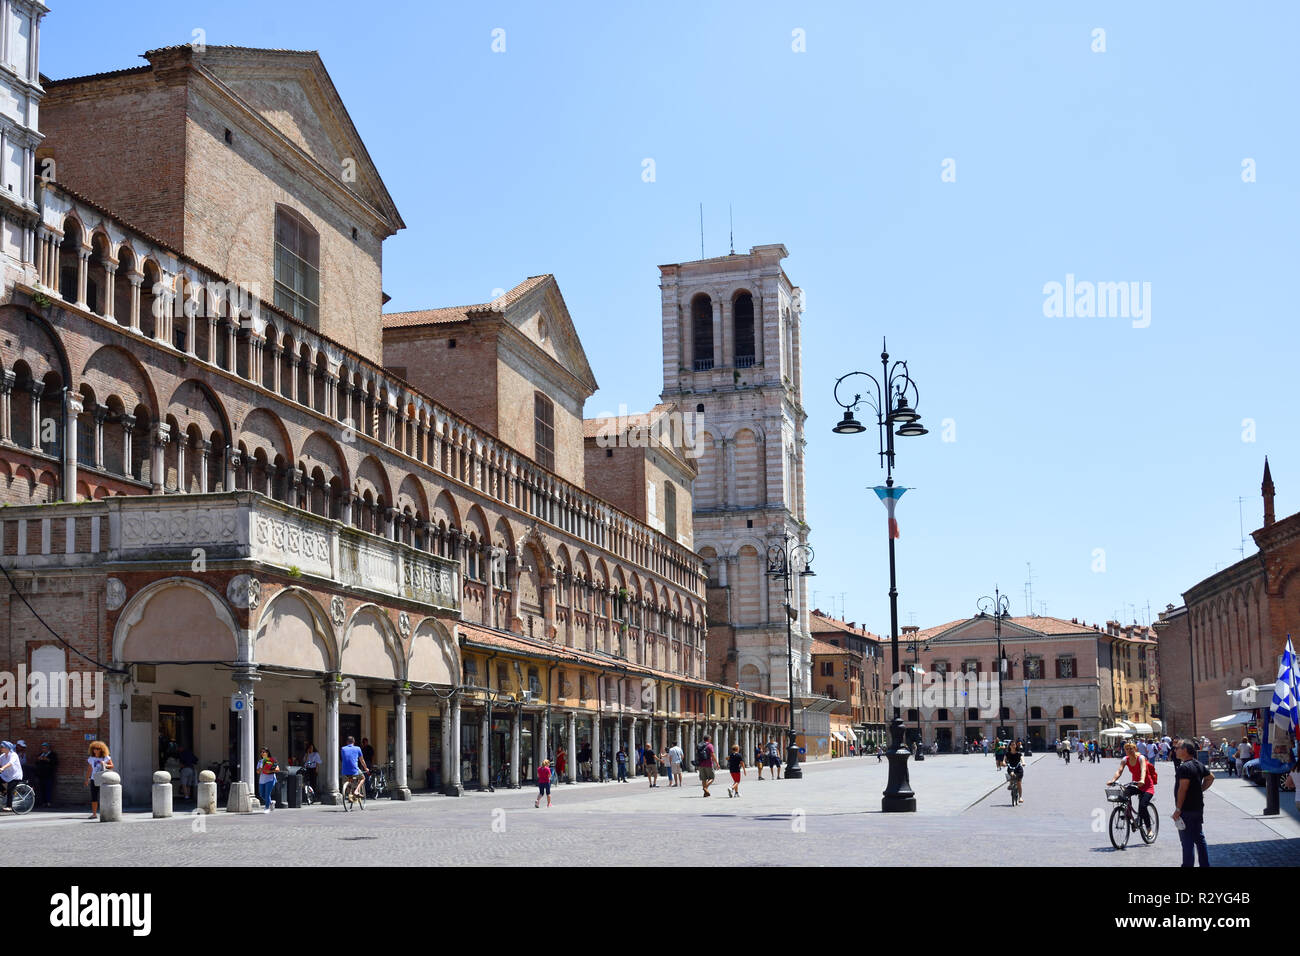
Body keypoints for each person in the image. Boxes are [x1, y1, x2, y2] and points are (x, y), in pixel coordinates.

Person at [1172, 739, 1214, 867]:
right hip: (1197, 808)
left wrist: (1178, 809)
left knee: (1187, 841)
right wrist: (1199, 790)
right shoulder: (1198, 764)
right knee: (1199, 838)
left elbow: (1182, 788)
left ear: (1185, 750)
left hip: (1186, 809)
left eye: (1177, 748)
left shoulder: (1184, 767)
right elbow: (1210, 777)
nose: (1175, 750)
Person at [1108, 740, 1156, 830]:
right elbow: (1119, 770)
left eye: (1131, 748)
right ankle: (1128, 813)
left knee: (1143, 806)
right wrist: (1113, 780)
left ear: (1135, 749)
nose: (1129, 750)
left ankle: (1149, 829)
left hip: (1146, 785)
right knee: (1125, 793)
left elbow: (1143, 770)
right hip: (1135, 784)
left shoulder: (1141, 758)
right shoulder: (1125, 759)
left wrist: (1142, 780)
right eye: (1127, 749)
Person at [84, 740, 113, 819]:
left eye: (97, 749)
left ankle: (107, 812)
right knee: (94, 796)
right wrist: (87, 779)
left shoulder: (106, 757)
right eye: (94, 748)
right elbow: (89, 769)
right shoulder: (91, 758)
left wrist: (105, 764)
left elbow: (111, 766)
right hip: (94, 779)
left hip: (103, 779)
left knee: (104, 796)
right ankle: (94, 814)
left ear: (101, 749)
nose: (95, 750)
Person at [340, 735, 368, 805]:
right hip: (354, 770)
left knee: (349, 780)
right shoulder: (357, 748)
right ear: (354, 742)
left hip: (344, 771)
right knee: (362, 778)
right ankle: (356, 791)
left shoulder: (343, 749)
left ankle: (350, 795)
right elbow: (362, 760)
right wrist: (366, 768)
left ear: (347, 742)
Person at [0, 741, 22, 812]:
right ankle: (3, 791)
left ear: (7, 748)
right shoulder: (2, 756)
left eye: (2, 747)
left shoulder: (13, 755)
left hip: (15, 776)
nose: (1, 748)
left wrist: (3, 768)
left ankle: (9, 806)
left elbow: (10, 763)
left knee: (10, 789)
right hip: (6, 775)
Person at [34, 742, 57, 807]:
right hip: (41, 775)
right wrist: (38, 760)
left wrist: (47, 759)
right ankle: (43, 802)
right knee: (42, 789)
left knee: (48, 789)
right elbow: (36, 763)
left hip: (49, 774)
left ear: (48, 748)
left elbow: (55, 762)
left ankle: (48, 802)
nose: (43, 749)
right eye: (42, 748)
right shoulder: (40, 754)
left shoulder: (52, 754)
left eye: (44, 748)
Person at [1005, 739, 1024, 804]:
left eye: (1014, 745)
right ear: (1009, 746)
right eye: (1012, 745)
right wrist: (1004, 763)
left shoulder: (1018, 753)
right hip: (1011, 768)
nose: (1013, 746)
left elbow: (1022, 758)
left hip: (1018, 768)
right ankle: (1010, 783)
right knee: (1011, 773)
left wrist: (1023, 762)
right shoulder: (1007, 753)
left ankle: (1020, 797)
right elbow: (1004, 760)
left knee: (1019, 783)